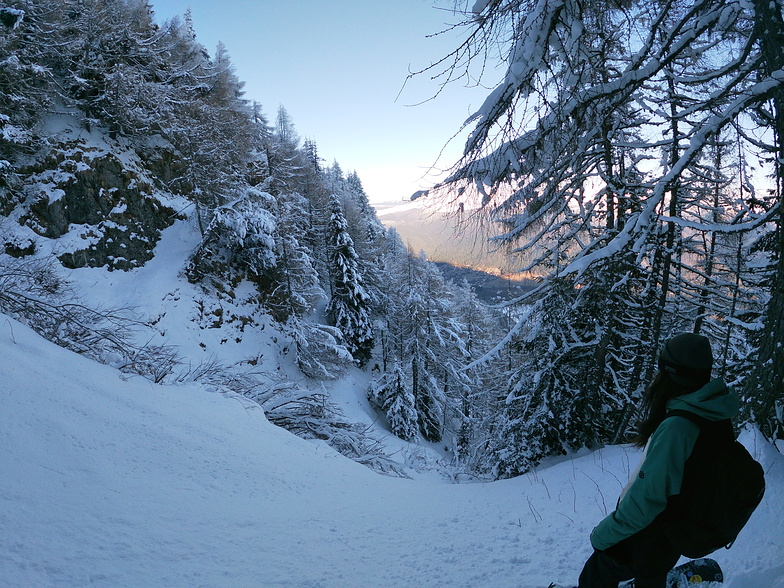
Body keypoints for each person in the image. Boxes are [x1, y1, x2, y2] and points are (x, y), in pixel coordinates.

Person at [576, 332, 740, 588]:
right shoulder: (714, 412)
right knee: (651, 571)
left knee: (597, 571)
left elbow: (647, 502)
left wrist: (602, 534)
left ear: (670, 374)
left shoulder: (678, 426)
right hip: (674, 530)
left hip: (651, 531)